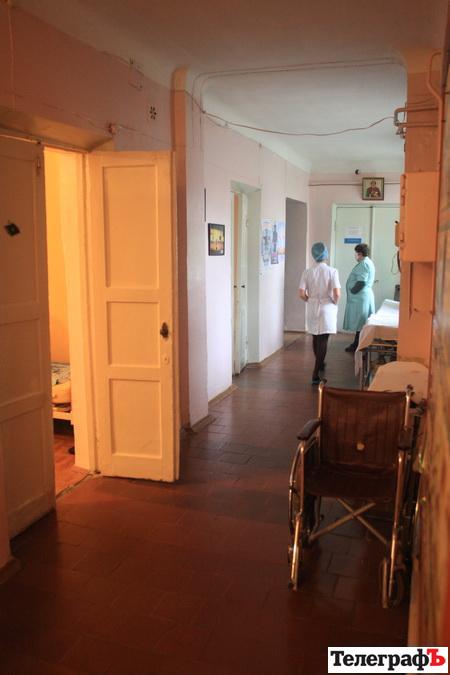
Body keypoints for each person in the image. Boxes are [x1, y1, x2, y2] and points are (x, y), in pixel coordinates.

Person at [299, 242, 341, 384]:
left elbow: (301, 294)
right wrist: (334, 302)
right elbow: (337, 293)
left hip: (312, 306)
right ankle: (315, 373)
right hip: (327, 307)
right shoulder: (332, 271)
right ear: (326, 254)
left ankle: (320, 363)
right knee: (323, 339)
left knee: (315, 337)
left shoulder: (307, 272)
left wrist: (309, 300)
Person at [343, 243, 375, 352]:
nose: (355, 255)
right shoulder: (367, 262)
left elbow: (361, 282)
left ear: (360, 253)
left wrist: (352, 290)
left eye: (356, 253)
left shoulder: (364, 264)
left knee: (360, 322)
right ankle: (358, 344)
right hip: (362, 297)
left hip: (360, 298)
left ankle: (358, 345)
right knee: (361, 323)